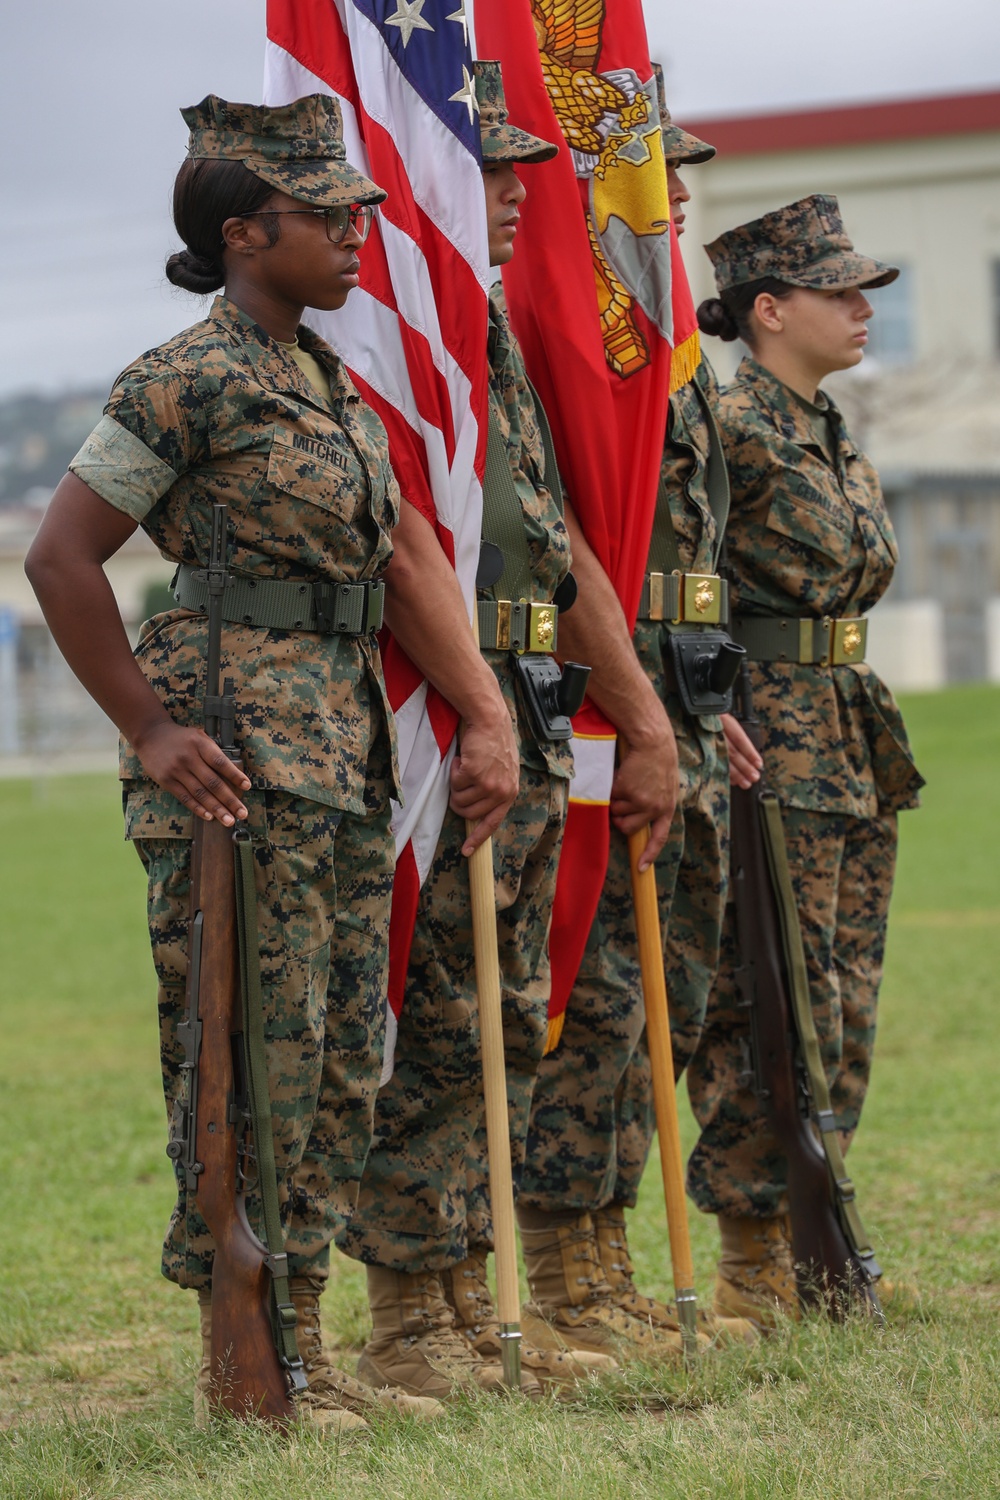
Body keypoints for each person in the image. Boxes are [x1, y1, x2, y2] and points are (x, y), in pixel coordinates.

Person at [24, 93, 451, 1431]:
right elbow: (60, 557)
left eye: (360, 213)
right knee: (251, 1054)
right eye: (329, 216)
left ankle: (306, 1349)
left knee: (334, 1058)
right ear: (243, 232)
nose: (357, 235)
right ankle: (245, 1363)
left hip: (335, 747)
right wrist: (150, 728)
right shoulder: (184, 378)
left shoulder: (324, 379)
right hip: (236, 759)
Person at [337, 61, 613, 1401]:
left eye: (519, 176)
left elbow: (542, 542)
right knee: (431, 1008)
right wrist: (481, 702)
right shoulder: (392, 335)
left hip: (507, 692)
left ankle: (465, 1297)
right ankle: (407, 1316)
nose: (512, 198)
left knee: (491, 1010)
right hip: (422, 701)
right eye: (488, 172)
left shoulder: (484, 337)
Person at [513, 80, 752, 1356]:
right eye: (650, 183)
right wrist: (639, 706)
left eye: (679, 179)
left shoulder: (671, 353)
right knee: (598, 982)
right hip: (600, 700)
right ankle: (565, 1270)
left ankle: (601, 1250)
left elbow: (688, 548)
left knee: (671, 988)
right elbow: (571, 552)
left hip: (678, 691)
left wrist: (706, 708)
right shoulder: (579, 348)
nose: (676, 200)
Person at [686, 194, 924, 1322]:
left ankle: (816, 1218)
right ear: (768, 310)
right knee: (766, 993)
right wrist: (695, 703)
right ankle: (754, 1256)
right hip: (764, 735)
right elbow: (669, 577)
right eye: (838, 291)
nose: (861, 307)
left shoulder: (825, 426)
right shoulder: (724, 430)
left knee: (842, 999)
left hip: (844, 729)